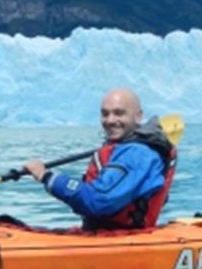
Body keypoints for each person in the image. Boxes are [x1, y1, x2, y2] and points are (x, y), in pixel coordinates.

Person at [23, 88, 177, 231]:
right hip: (107, 233)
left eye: (119, 113)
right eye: (105, 114)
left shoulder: (138, 154)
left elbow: (98, 200)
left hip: (121, 238)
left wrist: (47, 177)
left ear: (138, 115)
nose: (110, 120)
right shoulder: (126, 147)